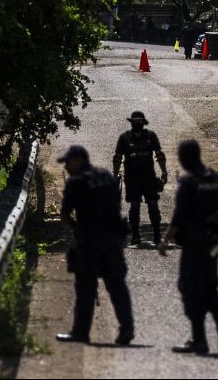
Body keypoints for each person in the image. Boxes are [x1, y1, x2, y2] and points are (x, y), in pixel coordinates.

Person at [158, 140, 218, 355]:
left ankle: (199, 339)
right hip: (215, 243)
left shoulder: (189, 183)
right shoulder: (216, 179)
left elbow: (178, 217)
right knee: (209, 285)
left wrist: (165, 240)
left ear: (184, 159)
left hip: (194, 245)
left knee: (189, 287)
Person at [55, 145, 135, 345]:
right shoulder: (106, 175)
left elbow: (65, 215)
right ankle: (127, 328)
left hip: (90, 241)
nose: (66, 167)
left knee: (85, 287)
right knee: (116, 284)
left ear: (80, 160)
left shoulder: (76, 182)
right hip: (114, 237)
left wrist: (77, 228)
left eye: (68, 162)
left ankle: (81, 332)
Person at [113, 112, 168, 246]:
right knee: (134, 206)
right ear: (131, 123)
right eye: (135, 122)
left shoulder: (151, 136)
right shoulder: (124, 138)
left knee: (153, 206)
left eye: (139, 122)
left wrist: (164, 171)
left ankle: (157, 235)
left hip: (149, 177)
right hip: (132, 179)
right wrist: (114, 175)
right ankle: (136, 235)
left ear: (143, 123)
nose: (137, 124)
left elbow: (159, 154)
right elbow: (117, 158)